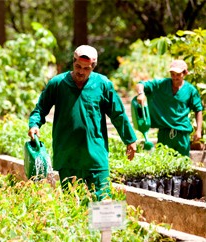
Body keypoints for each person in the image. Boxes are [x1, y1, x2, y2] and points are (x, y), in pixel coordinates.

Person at [28, 45, 137, 201]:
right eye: (78, 66)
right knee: (73, 204)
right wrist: (34, 125)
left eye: (86, 68)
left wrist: (130, 139)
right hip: (68, 155)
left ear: (92, 67)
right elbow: (40, 109)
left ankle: (104, 227)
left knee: (103, 202)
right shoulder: (58, 84)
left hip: (95, 155)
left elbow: (118, 113)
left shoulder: (103, 84)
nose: (81, 71)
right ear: (73, 62)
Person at [136, 60, 203, 156]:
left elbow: (198, 109)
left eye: (178, 74)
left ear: (185, 73)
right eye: (172, 74)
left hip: (182, 133)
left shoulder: (191, 90)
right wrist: (141, 93)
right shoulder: (162, 84)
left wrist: (198, 130)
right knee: (163, 164)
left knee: (182, 164)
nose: (175, 77)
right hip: (164, 132)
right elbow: (140, 84)